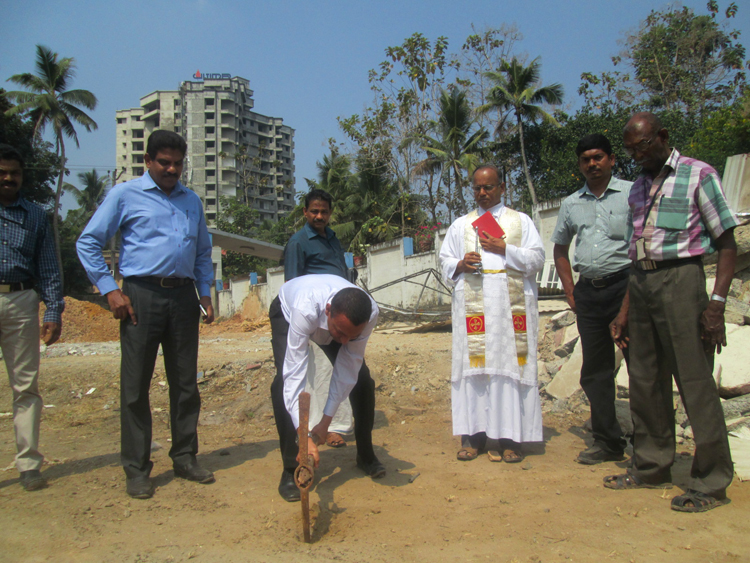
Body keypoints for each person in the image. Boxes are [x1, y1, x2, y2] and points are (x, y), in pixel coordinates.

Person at [607, 112, 736, 513]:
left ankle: (711, 482)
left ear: (662, 136)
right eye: (630, 150)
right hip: (641, 283)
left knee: (694, 382)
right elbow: (637, 250)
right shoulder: (637, 187)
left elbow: (727, 243)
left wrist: (716, 304)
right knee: (645, 381)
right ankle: (651, 466)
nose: (637, 155)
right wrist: (625, 310)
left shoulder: (699, 174)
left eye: (643, 146)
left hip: (681, 281)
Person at [77, 130, 215, 500]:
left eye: (177, 164)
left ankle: (184, 457)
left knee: (185, 383)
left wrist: (205, 292)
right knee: (135, 385)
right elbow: (88, 241)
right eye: (164, 162)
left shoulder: (192, 201)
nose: (171, 170)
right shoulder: (125, 195)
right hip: (140, 296)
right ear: (148, 161)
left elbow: (203, 251)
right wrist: (110, 289)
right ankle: (137, 469)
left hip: (184, 297)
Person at [439, 165, 545, 462]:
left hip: (509, 307)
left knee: (510, 366)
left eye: (488, 187)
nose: (482, 193)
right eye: (477, 188)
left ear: (502, 187)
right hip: (474, 306)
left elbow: (537, 259)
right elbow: (445, 260)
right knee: (475, 367)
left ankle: (511, 438)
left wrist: (504, 249)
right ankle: (473, 436)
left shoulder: (520, 221)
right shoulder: (461, 225)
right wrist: (460, 264)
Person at [551, 134, 632, 464]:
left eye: (598, 157)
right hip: (589, 294)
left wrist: (633, 295)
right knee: (595, 372)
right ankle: (608, 442)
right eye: (585, 159)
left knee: (641, 367)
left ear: (611, 159)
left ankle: (651, 445)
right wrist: (570, 290)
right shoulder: (571, 203)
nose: (592, 164)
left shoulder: (632, 194)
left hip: (627, 288)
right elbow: (560, 248)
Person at [270, 274, 383, 502]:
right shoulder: (305, 309)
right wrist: (304, 436)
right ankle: (291, 468)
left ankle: (365, 454)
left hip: (333, 319)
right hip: (287, 312)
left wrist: (325, 423)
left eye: (351, 336)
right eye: (340, 333)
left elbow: (348, 369)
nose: (344, 341)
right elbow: (294, 376)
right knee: (282, 383)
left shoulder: (370, 313)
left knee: (363, 382)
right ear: (328, 310)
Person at [0, 144, 64, 491]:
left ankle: (28, 464)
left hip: (21, 301)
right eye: (2, 172)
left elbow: (49, 267)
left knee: (25, 386)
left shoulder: (36, 216)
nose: (8, 178)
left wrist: (53, 310)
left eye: (15, 172)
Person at [283, 188, 354, 448]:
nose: (319, 216)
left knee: (343, 371)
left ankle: (335, 425)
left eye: (324, 211)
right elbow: (292, 285)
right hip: (312, 319)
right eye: (314, 211)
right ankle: (308, 430)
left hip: (337, 318)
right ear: (305, 212)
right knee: (315, 374)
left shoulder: (333, 239)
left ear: (330, 213)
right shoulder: (298, 243)